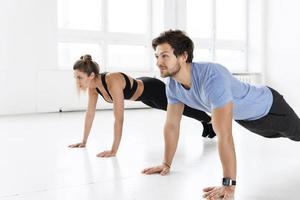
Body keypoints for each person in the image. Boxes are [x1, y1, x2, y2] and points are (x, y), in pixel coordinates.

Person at [141, 30, 300, 199]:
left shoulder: (212, 76)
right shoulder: (172, 85)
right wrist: (166, 163)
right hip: (247, 120)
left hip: (271, 109)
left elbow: (224, 135)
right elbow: (172, 125)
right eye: (156, 56)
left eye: (164, 56)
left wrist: (228, 186)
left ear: (183, 56)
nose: (158, 62)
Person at [68, 54, 216, 157]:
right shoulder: (94, 88)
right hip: (144, 98)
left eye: (79, 77)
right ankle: (207, 122)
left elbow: (119, 118)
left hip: (152, 89)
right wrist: (83, 141)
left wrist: (114, 150)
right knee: (178, 109)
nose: (77, 81)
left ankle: (208, 121)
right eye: (75, 78)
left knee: (181, 109)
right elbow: (90, 114)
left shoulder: (112, 80)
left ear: (91, 75)